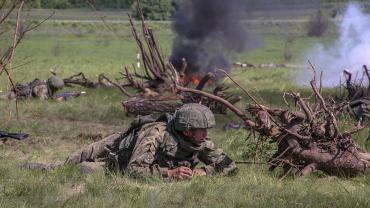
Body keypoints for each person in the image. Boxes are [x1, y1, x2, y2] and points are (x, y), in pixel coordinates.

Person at [27, 103, 238, 180]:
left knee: (84, 171)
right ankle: (43, 169)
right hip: (117, 149)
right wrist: (169, 174)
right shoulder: (156, 134)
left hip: (117, 167)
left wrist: (204, 172)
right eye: (202, 130)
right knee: (76, 160)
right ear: (187, 130)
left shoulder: (199, 143)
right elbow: (134, 170)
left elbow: (230, 167)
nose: (206, 134)